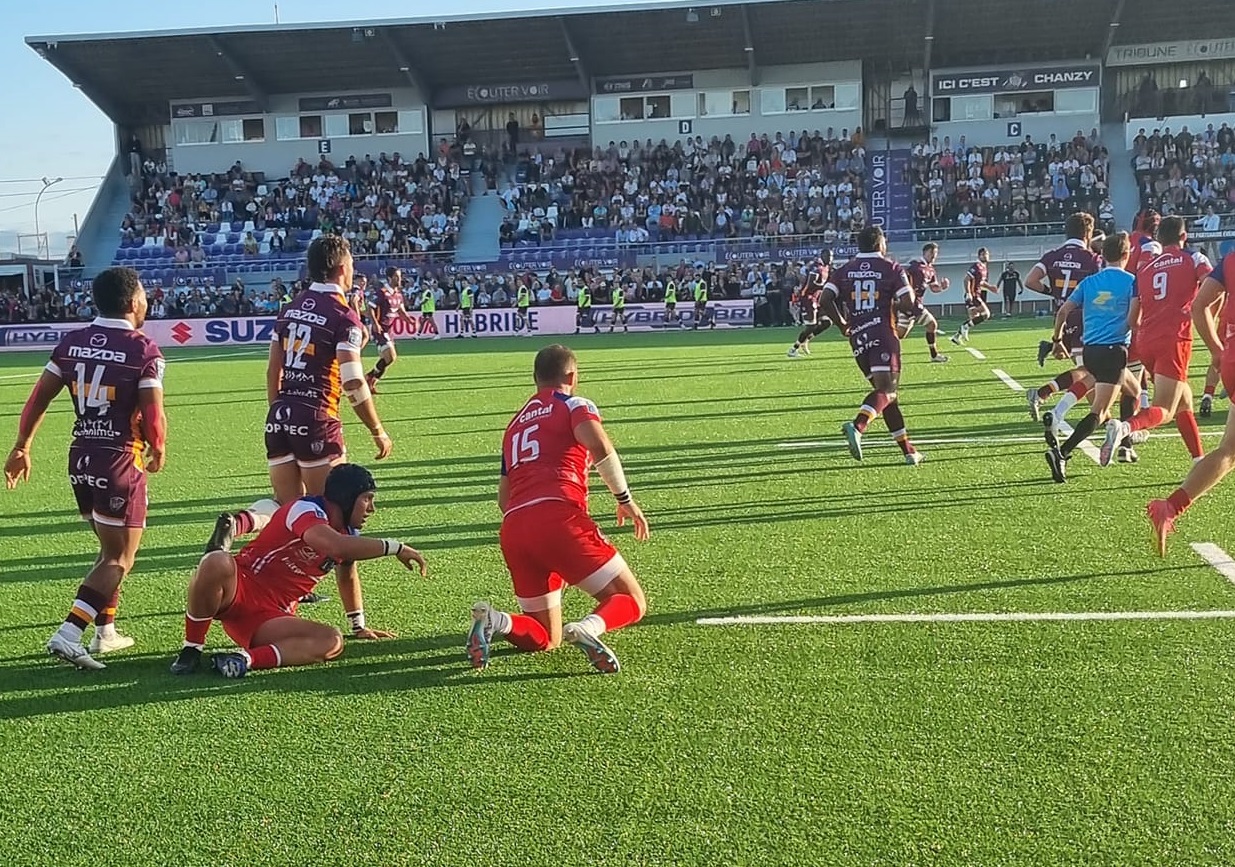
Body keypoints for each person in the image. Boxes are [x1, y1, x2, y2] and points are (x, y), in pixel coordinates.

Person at [4, 267, 167, 670]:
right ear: (133, 302)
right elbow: (152, 412)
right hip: (119, 458)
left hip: (81, 457)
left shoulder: (72, 342)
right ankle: (69, 632)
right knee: (120, 559)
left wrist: (22, 446)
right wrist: (159, 446)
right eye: (144, 294)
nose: (147, 301)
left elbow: (38, 398)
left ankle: (105, 632)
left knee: (108, 549)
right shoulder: (143, 350)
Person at [466, 345, 650, 673]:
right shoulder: (573, 404)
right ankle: (588, 628)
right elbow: (599, 445)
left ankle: (496, 620)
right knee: (633, 600)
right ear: (572, 376)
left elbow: (503, 497)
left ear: (536, 379)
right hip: (558, 517)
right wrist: (625, 500)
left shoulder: (514, 427)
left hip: (514, 528)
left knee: (545, 637)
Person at [170, 464, 427, 677]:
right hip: (241, 586)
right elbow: (334, 545)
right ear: (347, 499)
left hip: (269, 617)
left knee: (332, 641)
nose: (371, 509)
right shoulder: (305, 509)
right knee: (216, 560)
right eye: (367, 499)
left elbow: (348, 574)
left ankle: (241, 660)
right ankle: (192, 649)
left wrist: (358, 625)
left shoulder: (349, 535)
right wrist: (396, 547)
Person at [1148, 251, 1235, 553]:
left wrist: (1217, 350)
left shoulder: (1230, 259)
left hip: (1232, 359)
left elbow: (1200, 306)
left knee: (1229, 449)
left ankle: (1170, 507)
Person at [1106, 216, 1212, 461]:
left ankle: (1198, 459)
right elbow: (1211, 287)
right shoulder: (1193, 258)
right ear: (1183, 237)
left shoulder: (1144, 268)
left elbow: (1133, 318)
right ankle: (1125, 428)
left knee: (1184, 400)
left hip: (1145, 341)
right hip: (1173, 339)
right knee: (1165, 408)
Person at [821, 226, 924, 466]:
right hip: (883, 333)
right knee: (888, 391)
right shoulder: (891, 267)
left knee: (887, 397)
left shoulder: (845, 270)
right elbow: (908, 303)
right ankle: (858, 426)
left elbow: (825, 299)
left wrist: (842, 324)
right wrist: (909, 309)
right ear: (880, 244)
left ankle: (909, 451)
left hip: (858, 338)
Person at [1044, 233, 1140, 481]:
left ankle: (1125, 443)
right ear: (1126, 254)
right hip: (1113, 350)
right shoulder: (1132, 281)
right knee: (1099, 411)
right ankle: (1062, 453)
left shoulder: (1089, 282)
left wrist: (1056, 340)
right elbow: (1134, 319)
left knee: (1134, 390)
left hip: (1091, 350)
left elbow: (1064, 310)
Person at [1024, 213, 1103, 430]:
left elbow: (1030, 281)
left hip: (1063, 317)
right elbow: (1100, 288)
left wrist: (1053, 292)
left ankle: (1099, 414)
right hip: (1086, 319)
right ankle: (1044, 394)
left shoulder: (1052, 256)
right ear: (1088, 233)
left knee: (1089, 371)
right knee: (1092, 371)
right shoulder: (1092, 258)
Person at [366, 267, 416, 391]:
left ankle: (371, 379)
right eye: (396, 277)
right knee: (391, 356)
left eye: (399, 277)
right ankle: (370, 378)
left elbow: (401, 311)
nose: (399, 279)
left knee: (387, 359)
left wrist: (410, 320)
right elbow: (370, 307)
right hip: (380, 329)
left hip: (389, 331)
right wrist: (375, 324)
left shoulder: (398, 295)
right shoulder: (381, 293)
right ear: (389, 278)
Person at [900, 243, 949, 363]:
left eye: (935, 253)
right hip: (912, 303)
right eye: (931, 253)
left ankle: (880, 347)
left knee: (900, 334)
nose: (933, 256)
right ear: (925, 252)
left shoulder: (931, 270)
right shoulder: (915, 266)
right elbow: (903, 277)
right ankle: (934, 355)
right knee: (932, 324)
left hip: (913, 304)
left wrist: (942, 287)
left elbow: (934, 288)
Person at [787, 255, 833, 358]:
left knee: (827, 322)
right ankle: (793, 349)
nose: (830, 258)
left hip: (817, 299)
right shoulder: (817, 270)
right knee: (811, 326)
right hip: (809, 299)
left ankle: (806, 339)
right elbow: (809, 284)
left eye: (831, 256)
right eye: (828, 255)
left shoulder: (827, 269)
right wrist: (802, 296)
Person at [951, 247, 994, 344]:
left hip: (976, 294)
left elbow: (981, 282)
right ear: (979, 256)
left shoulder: (984, 268)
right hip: (973, 295)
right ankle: (964, 327)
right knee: (986, 314)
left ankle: (957, 336)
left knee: (974, 317)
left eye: (986, 254)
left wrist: (990, 287)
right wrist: (968, 293)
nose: (985, 256)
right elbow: (966, 279)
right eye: (983, 254)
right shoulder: (977, 266)